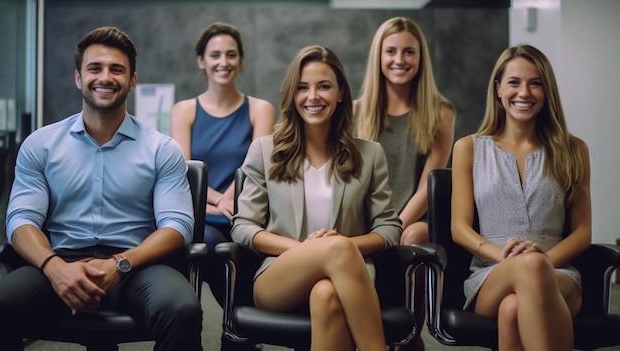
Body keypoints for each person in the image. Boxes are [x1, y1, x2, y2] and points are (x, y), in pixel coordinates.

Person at [0, 26, 203, 351]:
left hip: (136, 266)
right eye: (95, 68)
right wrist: (54, 268)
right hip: (58, 261)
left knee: (181, 310)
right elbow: (20, 220)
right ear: (79, 77)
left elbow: (177, 226)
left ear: (132, 81)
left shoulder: (161, 149)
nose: (105, 77)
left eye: (117, 69)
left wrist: (121, 263)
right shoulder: (41, 144)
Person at [231, 45, 402, 351]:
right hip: (280, 278)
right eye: (302, 88)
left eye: (324, 86)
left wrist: (342, 247)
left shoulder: (370, 154)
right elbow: (243, 227)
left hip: (350, 279)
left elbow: (389, 229)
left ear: (340, 93)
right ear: (292, 95)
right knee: (333, 248)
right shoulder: (265, 150)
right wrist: (310, 250)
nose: (313, 97)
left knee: (326, 294)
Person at [450, 44, 591, 351]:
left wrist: (540, 261)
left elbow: (583, 232)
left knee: (513, 309)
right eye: (514, 82)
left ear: (547, 90)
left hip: (559, 273)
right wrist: (506, 258)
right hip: (492, 273)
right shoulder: (469, 148)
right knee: (524, 276)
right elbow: (459, 228)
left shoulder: (574, 149)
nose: (524, 92)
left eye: (535, 83)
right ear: (498, 88)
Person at [170, 21, 274, 351]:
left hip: (248, 211)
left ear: (241, 61)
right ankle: (238, 332)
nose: (223, 62)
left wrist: (232, 199)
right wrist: (218, 202)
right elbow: (185, 173)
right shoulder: (184, 110)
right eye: (214, 55)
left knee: (247, 251)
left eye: (231, 55)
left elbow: (254, 168)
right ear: (201, 60)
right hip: (203, 213)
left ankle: (238, 334)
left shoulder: (260, 109)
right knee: (214, 247)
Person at [354, 16, 455, 351]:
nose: (400, 60)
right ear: (378, 57)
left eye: (409, 52)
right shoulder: (356, 112)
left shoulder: (440, 112)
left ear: (420, 58)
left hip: (414, 218)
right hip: (369, 217)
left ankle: (407, 335)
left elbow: (431, 182)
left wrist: (393, 226)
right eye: (391, 51)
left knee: (412, 236)